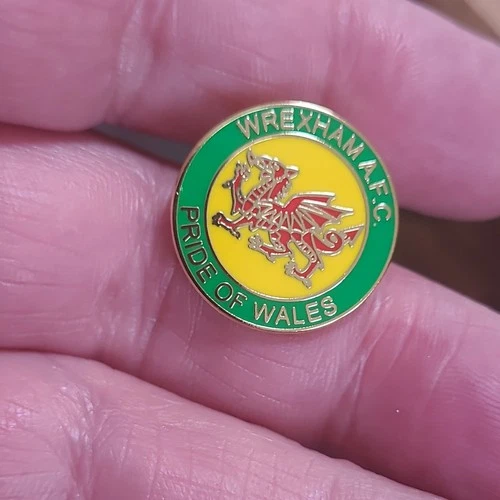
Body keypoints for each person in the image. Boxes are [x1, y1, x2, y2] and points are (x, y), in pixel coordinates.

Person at [0, 1, 499, 499]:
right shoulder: (253, 185)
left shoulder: (277, 194)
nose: (262, 176)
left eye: (266, 174)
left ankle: (301, 260)